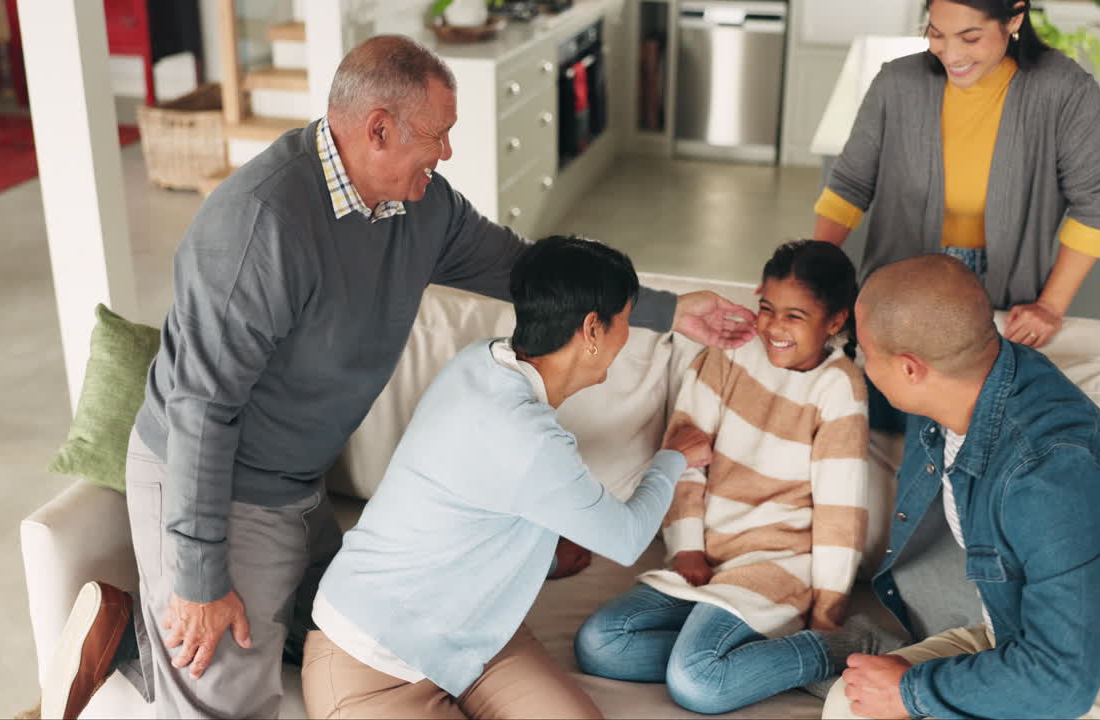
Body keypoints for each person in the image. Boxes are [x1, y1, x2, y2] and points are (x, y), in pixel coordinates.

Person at [39, 35, 756, 720]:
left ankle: (138, 630)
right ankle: (147, 636)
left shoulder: (422, 207)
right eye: (438, 134)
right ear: (378, 129)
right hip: (215, 478)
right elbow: (201, 408)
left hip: (295, 483)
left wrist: (667, 309)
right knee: (221, 695)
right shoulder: (260, 226)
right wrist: (197, 579)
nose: (448, 152)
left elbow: (530, 273)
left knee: (336, 628)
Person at [300, 235, 714, 719]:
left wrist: (544, 556)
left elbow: (478, 492)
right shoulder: (529, 438)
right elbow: (625, 538)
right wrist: (673, 458)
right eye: (624, 319)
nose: (627, 334)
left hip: (478, 640)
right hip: (371, 662)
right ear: (592, 329)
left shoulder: (480, 359)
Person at [824, 254, 1100, 719]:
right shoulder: (967, 377)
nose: (861, 362)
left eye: (863, 351)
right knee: (852, 704)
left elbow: (1061, 681)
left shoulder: (1048, 474)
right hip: (1017, 636)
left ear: (910, 369)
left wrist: (910, 692)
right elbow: (873, 398)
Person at [574, 240, 872, 715]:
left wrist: (827, 614)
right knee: (599, 644)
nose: (774, 326)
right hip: (709, 563)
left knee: (697, 684)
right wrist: (687, 546)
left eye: (794, 316)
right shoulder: (732, 351)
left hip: (777, 567)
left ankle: (836, 649)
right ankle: (749, 659)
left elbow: (842, 511)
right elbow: (683, 453)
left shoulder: (839, 387)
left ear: (834, 322)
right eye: (767, 309)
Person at [814, 0, 1100, 350]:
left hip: (1003, 293)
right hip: (897, 285)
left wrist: (1051, 305)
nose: (951, 54)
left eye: (970, 38)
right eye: (936, 34)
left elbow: (1095, 205)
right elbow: (850, 186)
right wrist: (811, 275)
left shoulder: (1067, 92)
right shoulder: (896, 83)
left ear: (1015, 18)